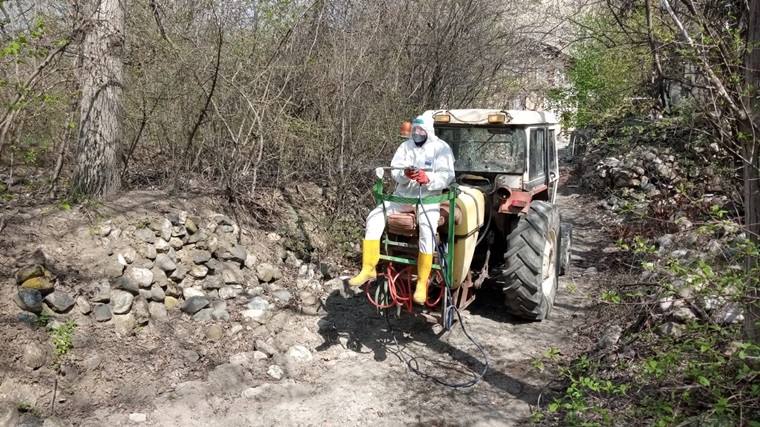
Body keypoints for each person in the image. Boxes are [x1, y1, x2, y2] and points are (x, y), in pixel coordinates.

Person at [348, 112, 455, 304]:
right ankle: (368, 267)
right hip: (404, 196)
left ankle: (422, 282)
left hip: (428, 198)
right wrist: (405, 173)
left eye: (421, 130)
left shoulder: (442, 148)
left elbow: (447, 175)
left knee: (427, 229)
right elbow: (395, 171)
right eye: (415, 130)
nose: (417, 133)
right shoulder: (405, 147)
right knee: (374, 216)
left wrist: (428, 178)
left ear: (428, 131)